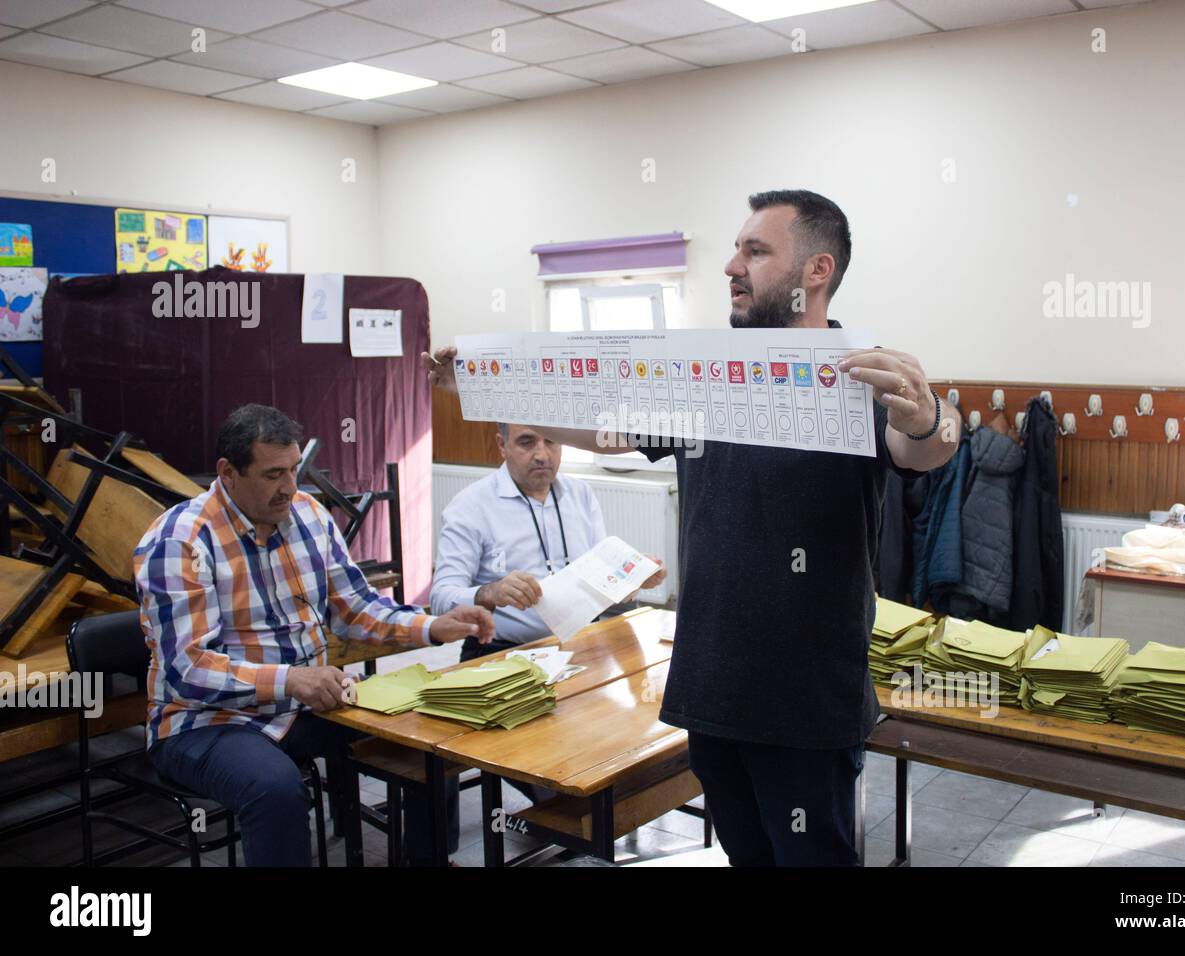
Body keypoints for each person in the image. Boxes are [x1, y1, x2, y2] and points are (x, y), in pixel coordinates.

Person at [424, 189, 958, 866]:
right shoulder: (709, 379)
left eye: (755, 250)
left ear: (816, 271)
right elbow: (607, 429)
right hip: (711, 689)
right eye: (736, 248)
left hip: (804, 703)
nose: (732, 264)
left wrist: (927, 414)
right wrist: (480, 390)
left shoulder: (855, 377)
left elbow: (927, 449)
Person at [136, 404, 494, 866]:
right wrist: (291, 680)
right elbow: (188, 669)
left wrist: (432, 625)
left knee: (428, 741)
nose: (289, 487)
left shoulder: (307, 515)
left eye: (293, 470)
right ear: (227, 472)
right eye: (272, 475)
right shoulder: (180, 542)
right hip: (203, 722)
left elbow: (354, 608)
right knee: (275, 789)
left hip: (302, 708)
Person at [431, 422, 666, 661]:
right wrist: (490, 592)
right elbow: (440, 598)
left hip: (584, 644)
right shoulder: (470, 506)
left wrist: (634, 575)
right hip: (504, 653)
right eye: (526, 442)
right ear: (502, 446)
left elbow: (601, 579)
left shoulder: (580, 494)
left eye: (551, 441)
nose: (542, 455)